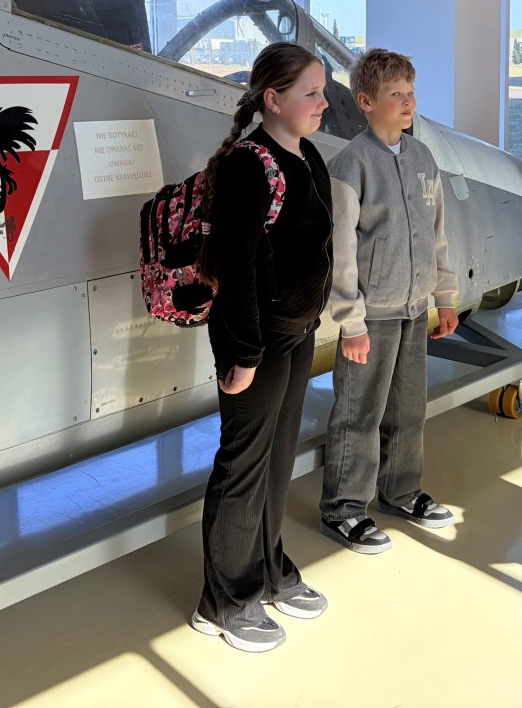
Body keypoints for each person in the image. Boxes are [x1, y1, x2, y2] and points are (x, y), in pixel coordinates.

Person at [192, 41, 334, 654]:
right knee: (243, 465)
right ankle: (224, 601)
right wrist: (244, 355)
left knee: (277, 460)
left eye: (323, 91)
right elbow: (237, 269)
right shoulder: (248, 166)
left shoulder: (308, 156)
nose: (323, 103)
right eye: (311, 93)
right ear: (272, 99)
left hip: (296, 334)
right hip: (258, 342)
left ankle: (270, 570)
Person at [319, 48, 459, 555]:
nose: (407, 102)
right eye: (395, 94)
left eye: (410, 92)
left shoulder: (423, 159)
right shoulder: (349, 165)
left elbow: (437, 235)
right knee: (358, 413)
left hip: (415, 309)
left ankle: (401, 492)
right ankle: (343, 509)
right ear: (365, 101)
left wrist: (445, 297)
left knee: (408, 409)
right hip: (371, 317)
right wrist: (351, 322)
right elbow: (340, 251)